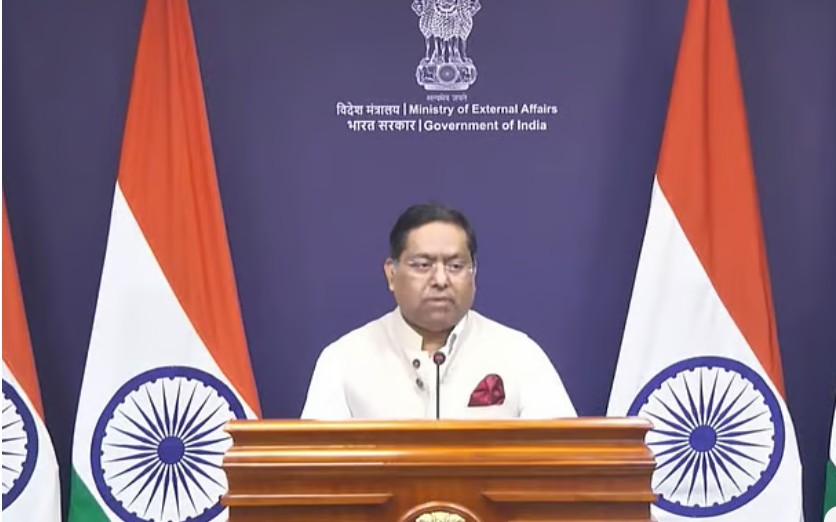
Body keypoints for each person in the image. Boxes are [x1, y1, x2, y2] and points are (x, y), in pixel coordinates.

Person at [300, 202, 576, 420]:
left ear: (474, 274)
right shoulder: (343, 359)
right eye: (423, 265)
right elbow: (315, 465)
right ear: (391, 273)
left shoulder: (520, 355)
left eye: (455, 266)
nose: (441, 280)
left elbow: (563, 458)